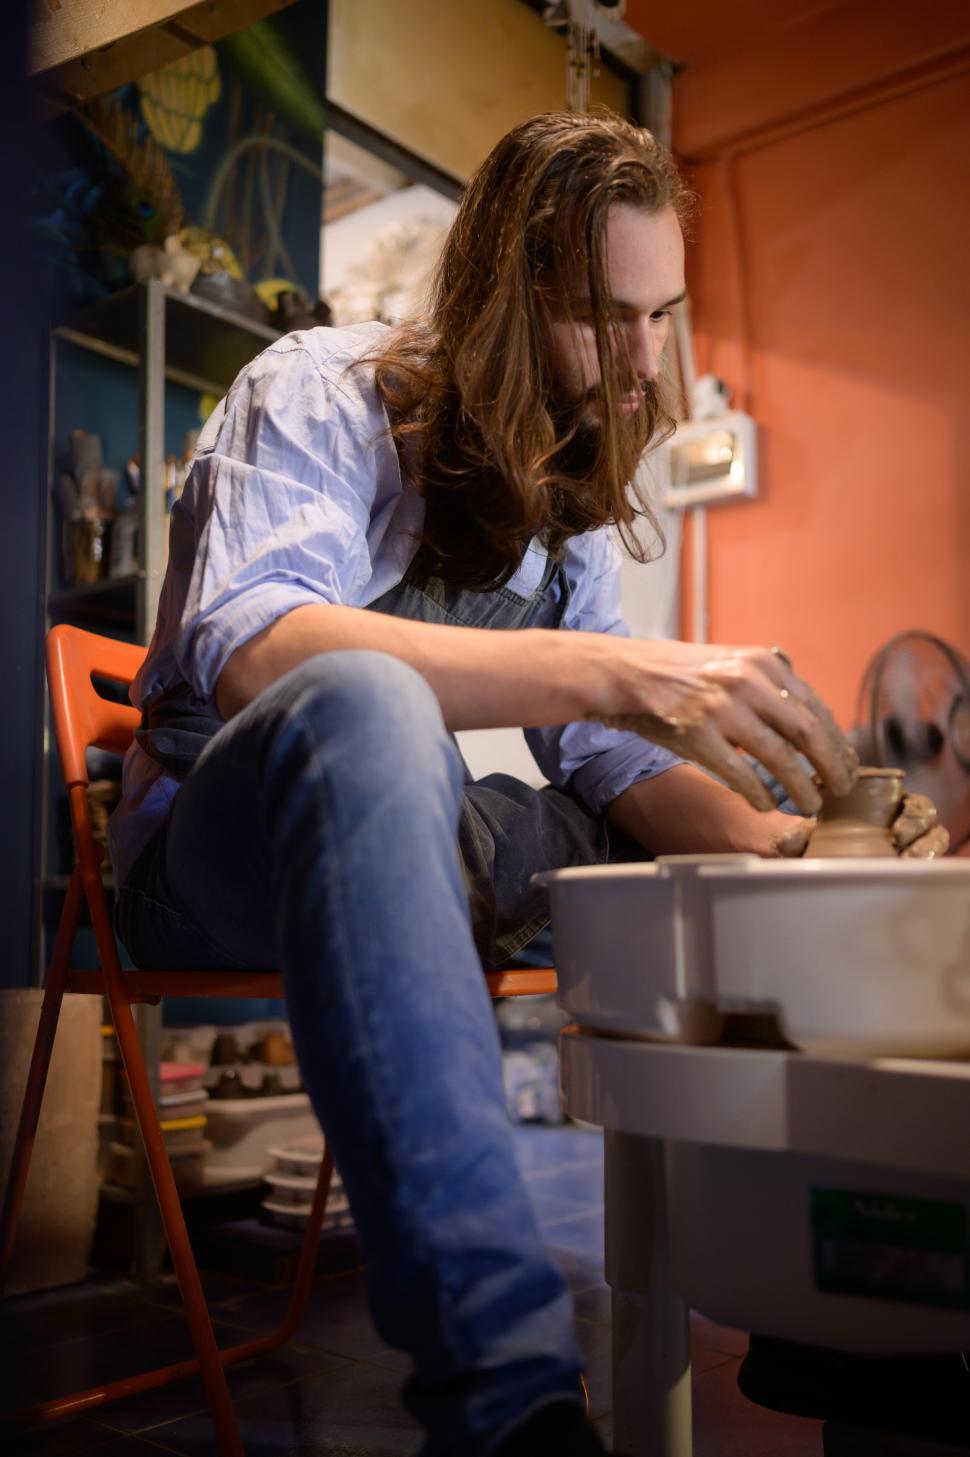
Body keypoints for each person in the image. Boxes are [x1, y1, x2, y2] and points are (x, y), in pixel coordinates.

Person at [108, 110, 946, 1457]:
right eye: (603, 318)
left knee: (686, 859)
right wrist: (616, 670)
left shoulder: (562, 487)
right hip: (212, 855)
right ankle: (507, 1398)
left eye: (661, 316)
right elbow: (261, 652)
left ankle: (840, 1303)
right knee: (369, 701)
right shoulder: (318, 387)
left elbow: (610, 755)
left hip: (426, 841)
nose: (644, 363)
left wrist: (778, 845)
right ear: (507, 296)